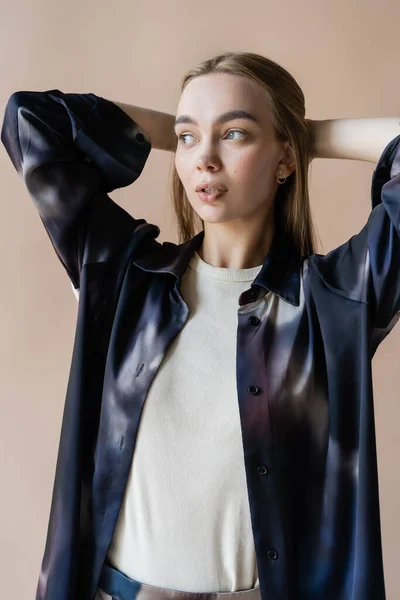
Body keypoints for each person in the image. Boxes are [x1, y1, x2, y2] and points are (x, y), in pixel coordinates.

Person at [1, 51, 399, 600]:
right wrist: (181, 129)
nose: (204, 160)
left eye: (234, 135)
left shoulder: (330, 302)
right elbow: (29, 120)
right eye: (189, 139)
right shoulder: (125, 277)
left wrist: (309, 137)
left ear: (286, 158)